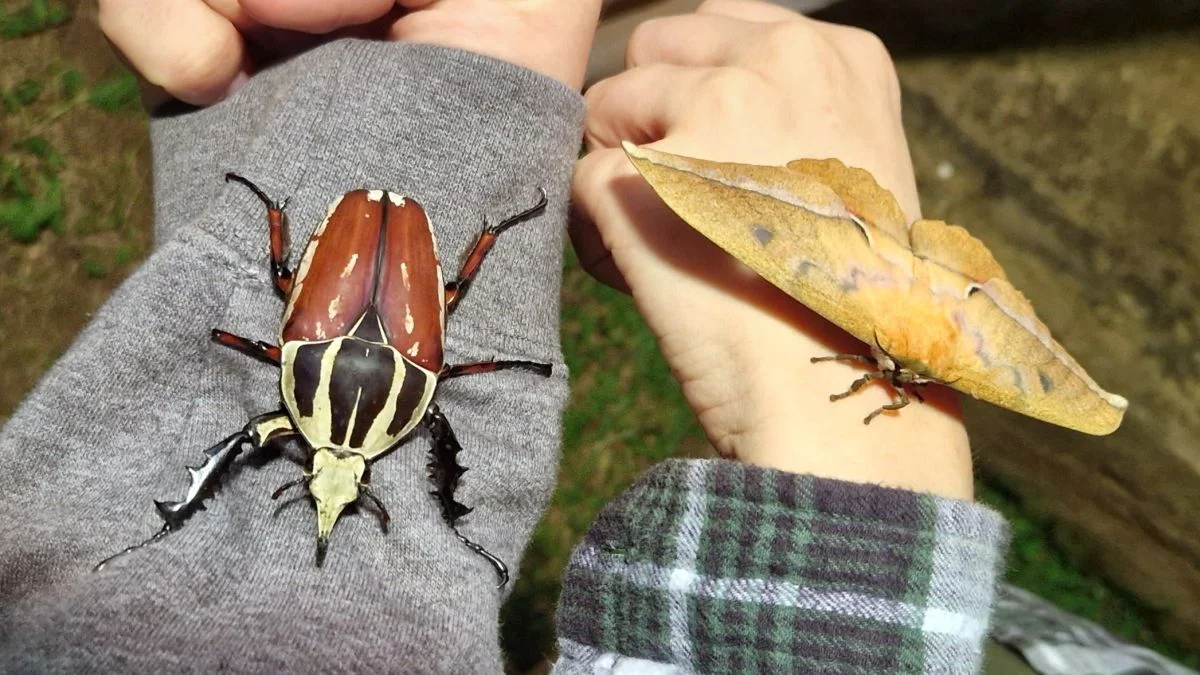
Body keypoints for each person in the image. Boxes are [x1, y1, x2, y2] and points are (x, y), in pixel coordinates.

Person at [0, 1, 1006, 673]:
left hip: (372, 269)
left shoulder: (326, 394)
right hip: (382, 280)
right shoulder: (373, 402)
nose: (331, 483)